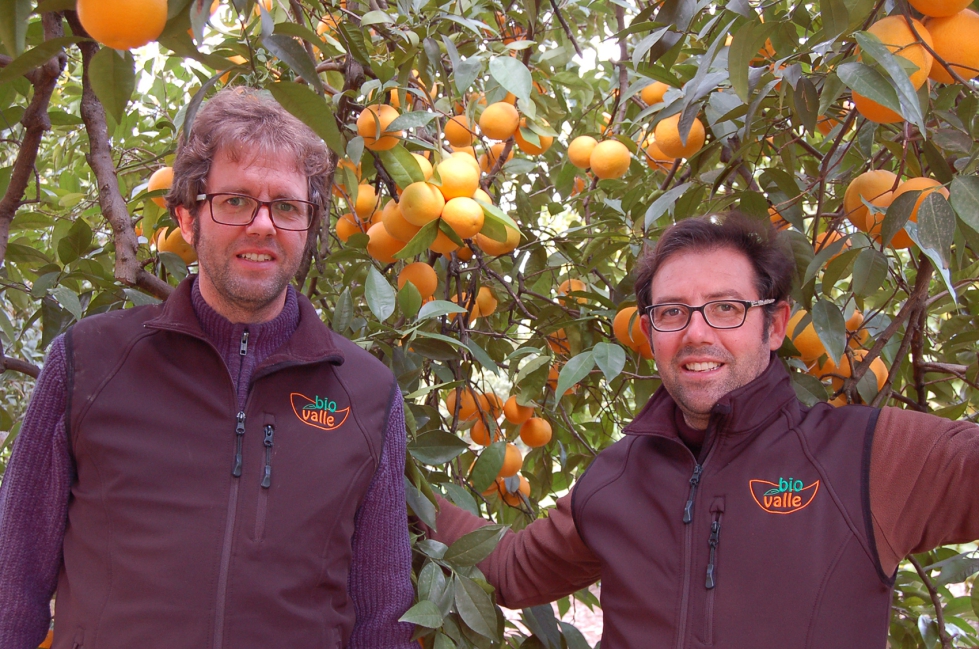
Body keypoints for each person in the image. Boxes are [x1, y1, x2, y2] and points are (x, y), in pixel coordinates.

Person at [430, 213, 979, 647]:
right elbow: (512, 569)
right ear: (649, 332)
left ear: (775, 325)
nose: (696, 332)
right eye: (672, 312)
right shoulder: (617, 477)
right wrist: (394, 480)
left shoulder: (866, 456)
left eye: (726, 307)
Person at [0, 88, 414, 649]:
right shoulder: (88, 364)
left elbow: (381, 617)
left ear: (308, 226)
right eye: (236, 201)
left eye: (287, 206)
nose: (263, 226)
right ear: (188, 218)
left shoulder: (366, 395)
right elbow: (13, 579)